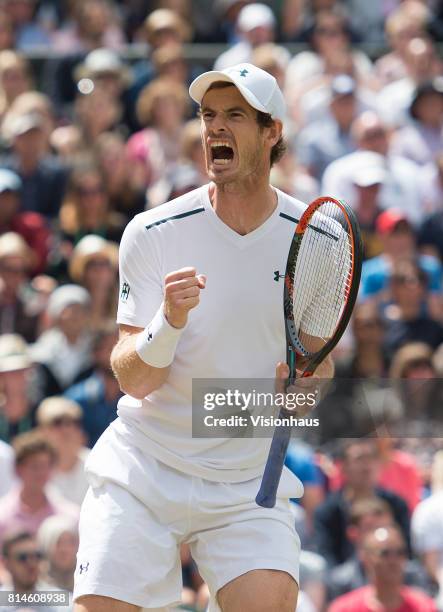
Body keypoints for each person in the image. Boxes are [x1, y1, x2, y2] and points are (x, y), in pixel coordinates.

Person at [73, 62, 337, 612]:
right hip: (144, 467)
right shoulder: (151, 231)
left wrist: (300, 390)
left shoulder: (319, 238)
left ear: (272, 133)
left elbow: (317, 374)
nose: (215, 128)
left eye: (235, 116)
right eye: (208, 115)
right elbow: (134, 379)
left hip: (245, 484)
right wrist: (167, 323)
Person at [328, 525, 437, 611]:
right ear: (365, 558)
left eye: (400, 552)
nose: (393, 560)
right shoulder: (344, 609)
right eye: (385, 553)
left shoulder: (423, 607)